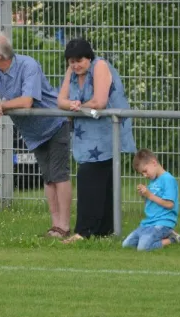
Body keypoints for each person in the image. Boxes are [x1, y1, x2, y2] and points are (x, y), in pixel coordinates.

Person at [0, 32, 72, 238]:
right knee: (48, 178)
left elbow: (26, 101)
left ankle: (65, 226)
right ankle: (55, 225)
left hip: (54, 124)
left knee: (59, 175)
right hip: (33, 133)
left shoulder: (28, 65)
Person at [57, 37, 137, 243]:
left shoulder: (100, 66)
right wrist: (74, 106)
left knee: (90, 179)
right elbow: (61, 100)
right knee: (98, 181)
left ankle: (84, 231)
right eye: (71, 61)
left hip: (106, 132)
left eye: (79, 60)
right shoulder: (72, 71)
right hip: (86, 134)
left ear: (89, 57)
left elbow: (100, 101)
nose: (75, 65)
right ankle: (103, 231)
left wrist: (77, 107)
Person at [122, 149, 180, 251]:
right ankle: (159, 238)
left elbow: (169, 204)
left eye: (145, 171)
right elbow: (152, 203)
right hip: (148, 223)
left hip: (162, 223)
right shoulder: (153, 181)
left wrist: (149, 195)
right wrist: (144, 195)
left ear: (153, 162)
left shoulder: (168, 179)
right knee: (127, 245)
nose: (145, 175)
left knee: (142, 248)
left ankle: (172, 240)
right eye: (142, 173)